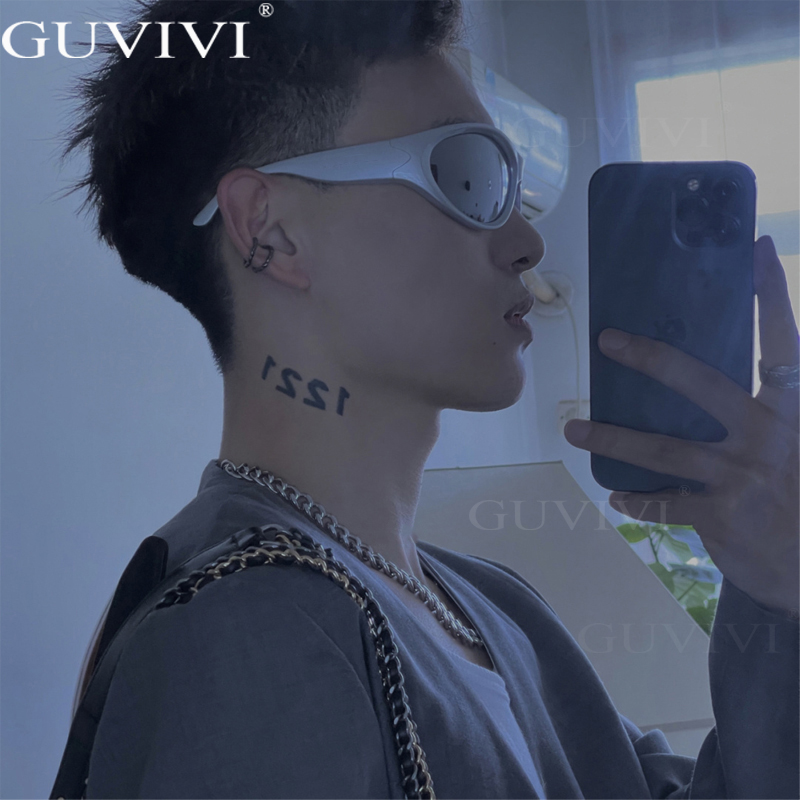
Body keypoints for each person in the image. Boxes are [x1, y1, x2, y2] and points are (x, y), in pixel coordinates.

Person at [57, 1, 799, 797]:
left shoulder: (492, 605)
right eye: (469, 176)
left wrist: (778, 581)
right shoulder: (244, 627)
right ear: (270, 231)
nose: (527, 243)